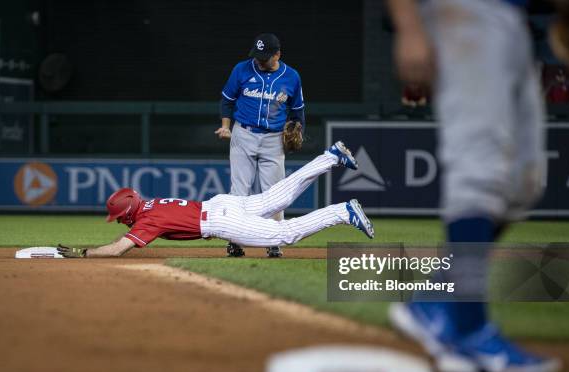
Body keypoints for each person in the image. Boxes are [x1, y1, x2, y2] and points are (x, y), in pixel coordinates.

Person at [386, 0, 561, 372]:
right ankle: (469, 334)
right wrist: (409, 26)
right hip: (465, 12)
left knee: (522, 183)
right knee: (478, 172)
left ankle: (431, 303)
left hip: (515, 20)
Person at [57, 142, 373, 258]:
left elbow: (116, 250)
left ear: (127, 212)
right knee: (280, 195)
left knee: (284, 233)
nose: (122, 221)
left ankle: (343, 211)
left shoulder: (147, 219)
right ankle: (329, 157)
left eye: (120, 217)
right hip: (221, 204)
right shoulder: (149, 205)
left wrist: (85, 253)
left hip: (220, 219)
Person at [214, 33, 305, 259]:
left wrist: (298, 129)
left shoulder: (291, 76)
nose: (259, 60)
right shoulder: (242, 69)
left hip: (274, 139)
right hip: (243, 133)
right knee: (239, 191)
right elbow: (227, 99)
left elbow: (297, 111)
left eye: (265, 57)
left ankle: (274, 241)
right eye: (257, 55)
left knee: (274, 193)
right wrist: (226, 126)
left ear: (278, 54)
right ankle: (234, 241)